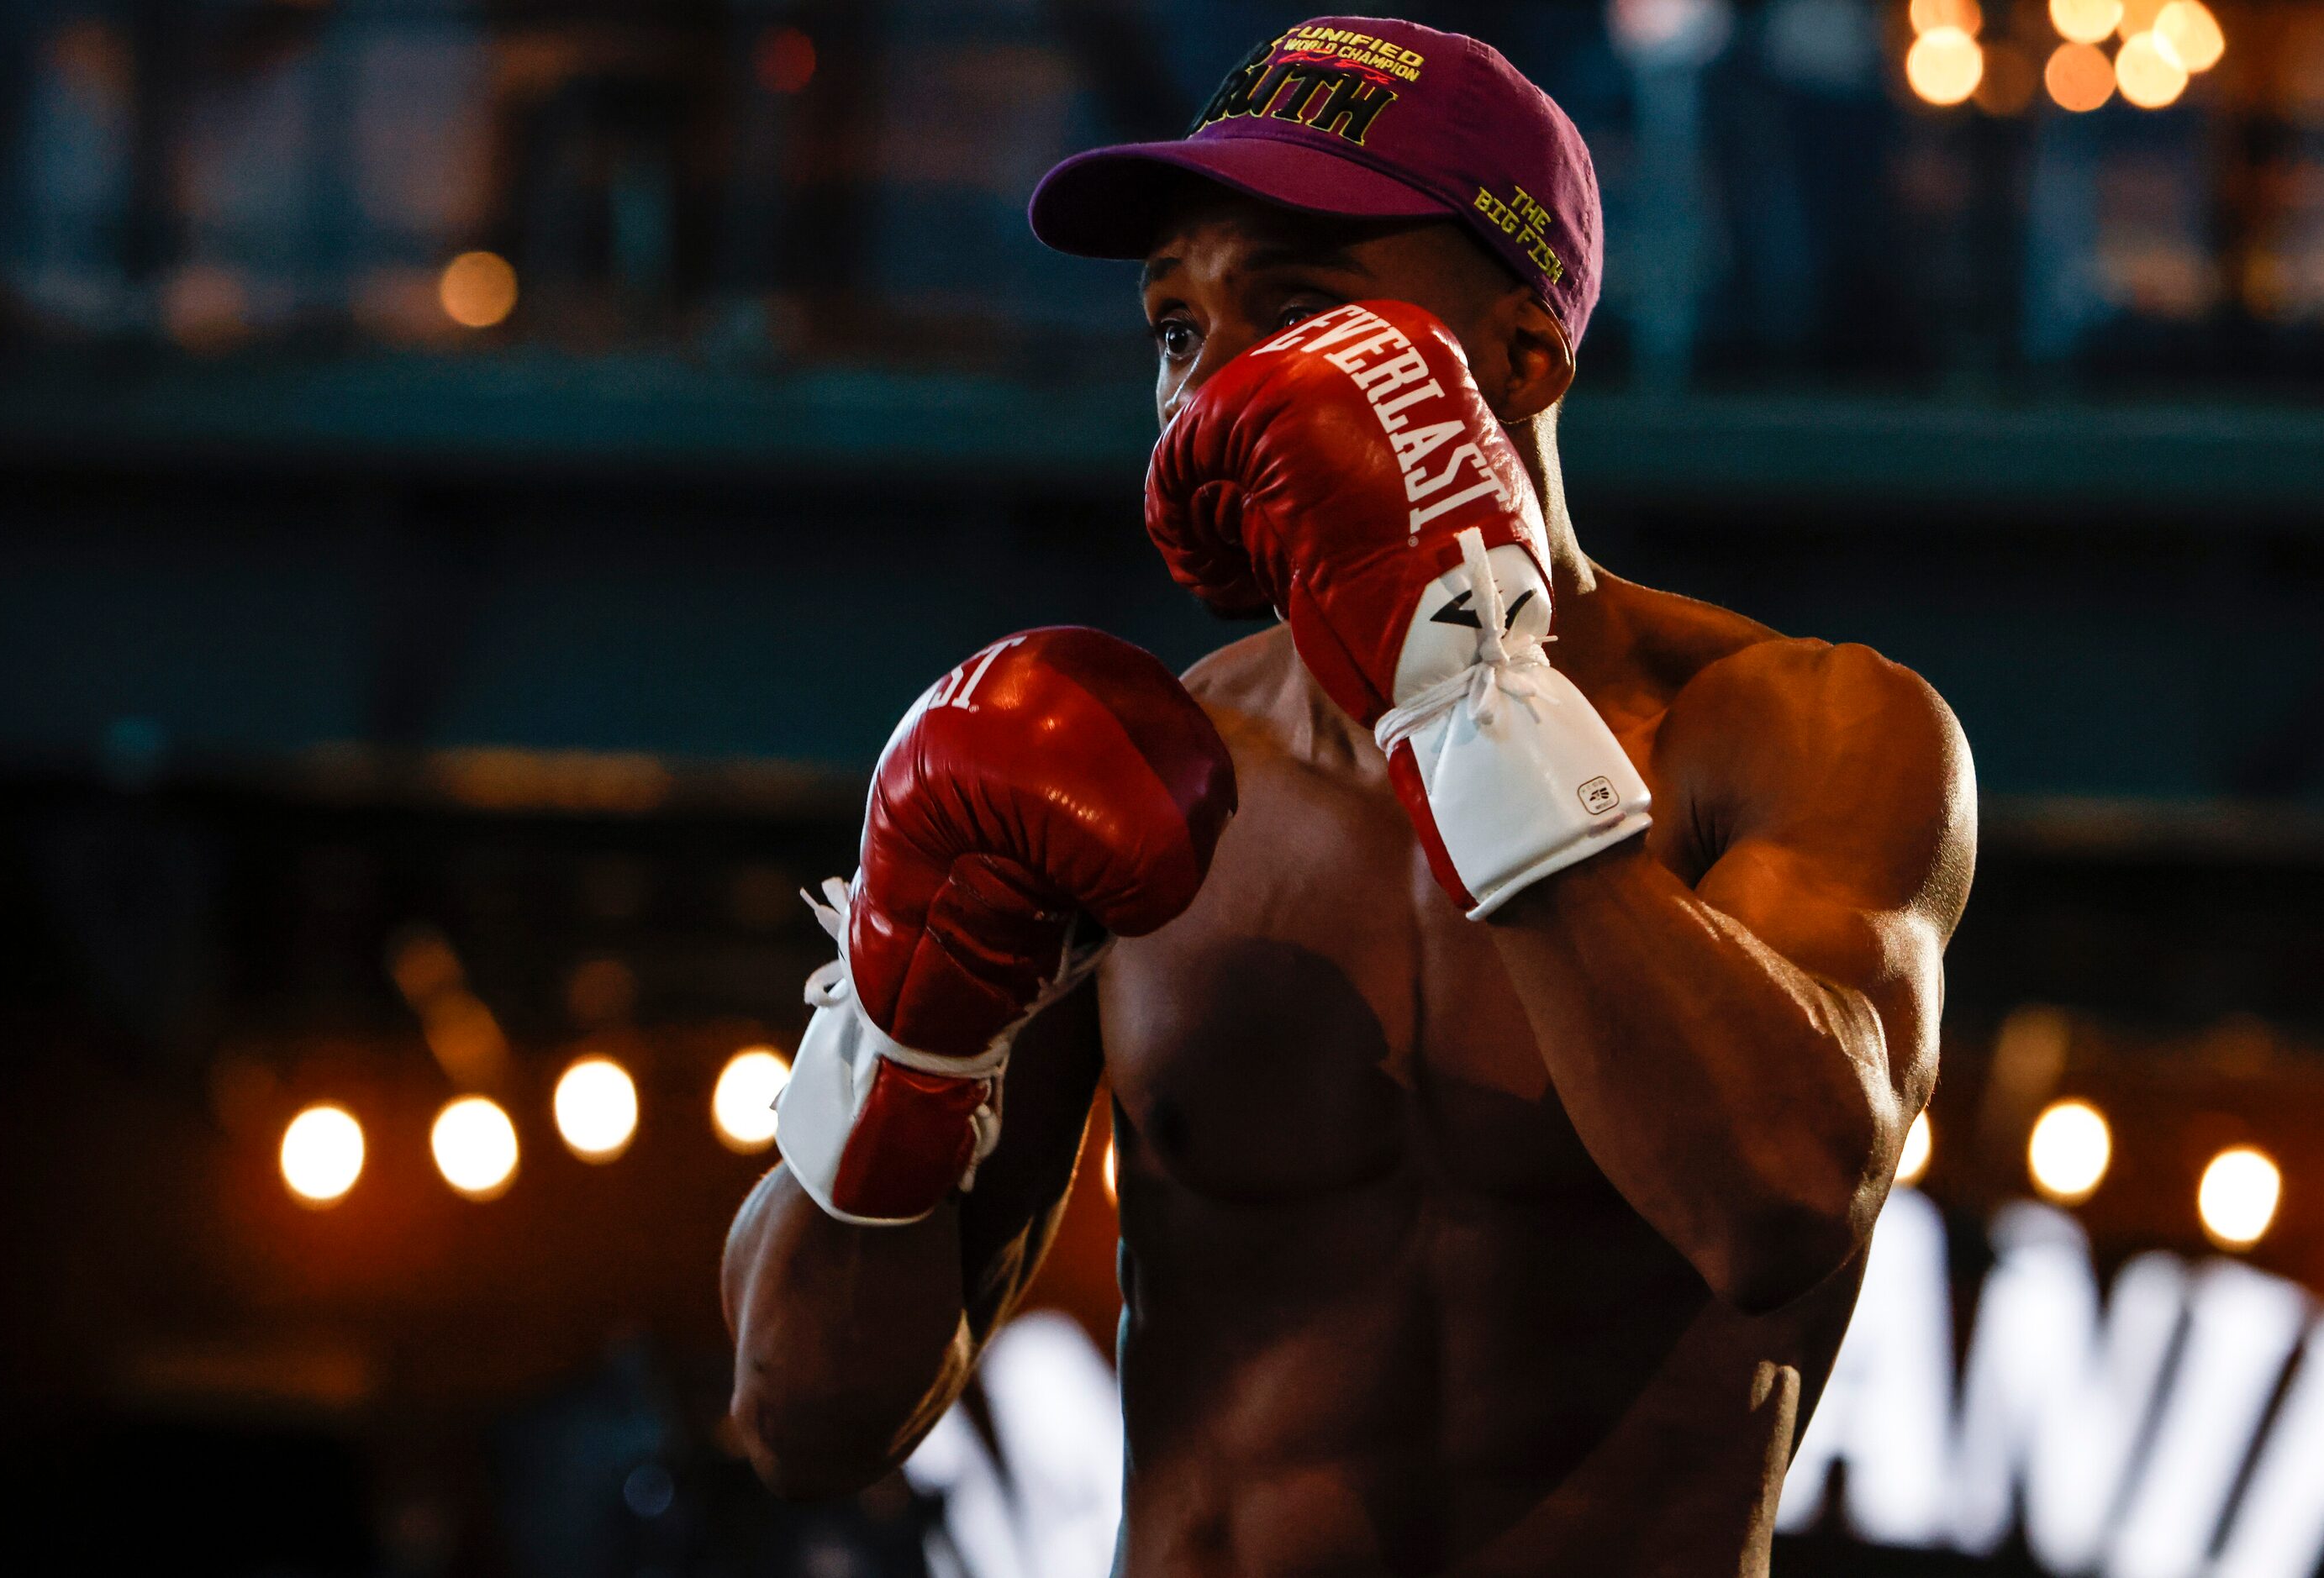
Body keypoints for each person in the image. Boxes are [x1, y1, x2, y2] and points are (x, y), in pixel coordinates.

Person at [723, 17, 1976, 1575]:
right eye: (1176, 326)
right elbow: (801, 1420)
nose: (1215, 379)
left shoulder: (1795, 730)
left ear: (1524, 349)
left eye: (1299, 307)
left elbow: (1781, 1198)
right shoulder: (1133, 776)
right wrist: (900, 1039)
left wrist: (1460, 691)